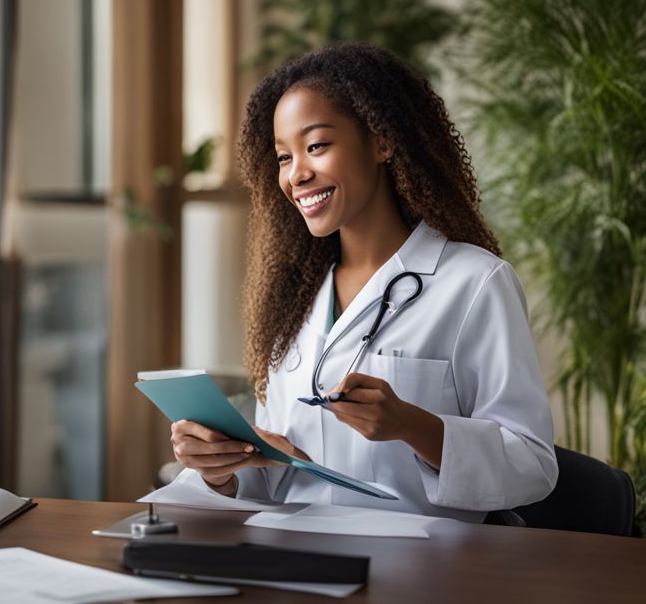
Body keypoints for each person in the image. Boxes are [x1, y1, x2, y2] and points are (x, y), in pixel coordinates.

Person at [169, 43, 558, 521]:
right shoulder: (293, 297)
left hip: (423, 572)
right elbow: (284, 473)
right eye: (283, 157)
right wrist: (224, 468)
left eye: (316, 146)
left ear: (381, 141)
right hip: (298, 560)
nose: (297, 175)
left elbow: (532, 466)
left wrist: (413, 426)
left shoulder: (474, 282)